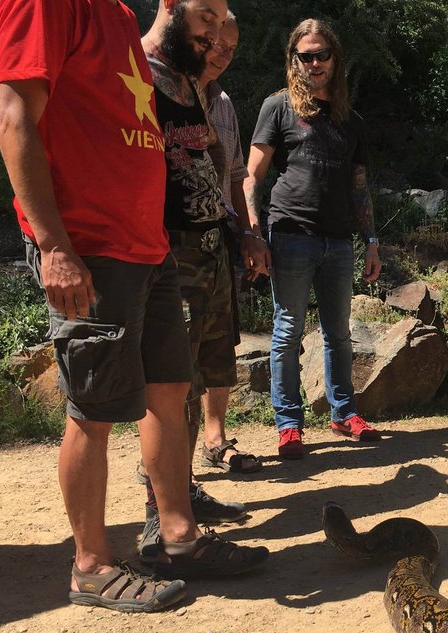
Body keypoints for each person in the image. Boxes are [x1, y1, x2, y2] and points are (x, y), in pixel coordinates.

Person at [0, 0, 267, 612]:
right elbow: (13, 119)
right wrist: (53, 245)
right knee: (93, 409)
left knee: (169, 392)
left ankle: (178, 539)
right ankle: (90, 564)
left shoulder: (118, 14)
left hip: (150, 246)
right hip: (91, 245)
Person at [135, 0, 270, 558]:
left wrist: (239, 229)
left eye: (227, 42)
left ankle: (182, 491)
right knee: (170, 383)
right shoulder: (143, 73)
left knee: (198, 376)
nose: (218, 47)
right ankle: (157, 514)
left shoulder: (201, 91)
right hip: (171, 250)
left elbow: (226, 166)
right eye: (210, 29)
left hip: (210, 245)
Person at [244, 18, 382, 460]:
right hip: (289, 236)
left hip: (339, 242)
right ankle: (288, 425)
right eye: (306, 55)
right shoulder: (279, 107)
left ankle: (343, 413)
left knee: (339, 335)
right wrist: (253, 233)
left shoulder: (351, 120)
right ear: (294, 60)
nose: (316, 62)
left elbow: (360, 187)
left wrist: (372, 241)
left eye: (323, 54)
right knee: (287, 334)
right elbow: (251, 177)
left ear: (335, 59)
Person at [197, 12, 270, 471]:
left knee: (220, 342)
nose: (223, 54)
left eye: (232, 48)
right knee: (173, 351)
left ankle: (216, 438)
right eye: (216, 43)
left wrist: (249, 233)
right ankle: (166, 474)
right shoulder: (159, 90)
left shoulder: (222, 101)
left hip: (220, 235)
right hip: (172, 237)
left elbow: (239, 175)